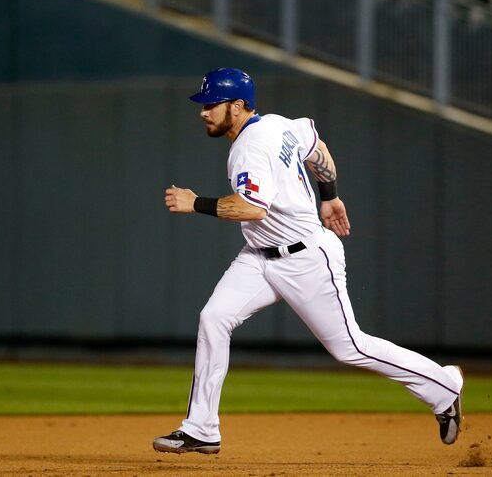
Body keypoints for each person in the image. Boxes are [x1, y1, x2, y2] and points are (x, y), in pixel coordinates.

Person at [154, 68, 463, 455]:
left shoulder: (250, 147)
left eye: (211, 104)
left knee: (350, 347)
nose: (203, 112)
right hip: (259, 256)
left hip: (306, 258)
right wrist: (330, 195)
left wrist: (194, 202)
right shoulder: (280, 124)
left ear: (237, 106)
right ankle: (201, 428)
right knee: (214, 317)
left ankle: (444, 386)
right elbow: (317, 149)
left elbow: (251, 208)